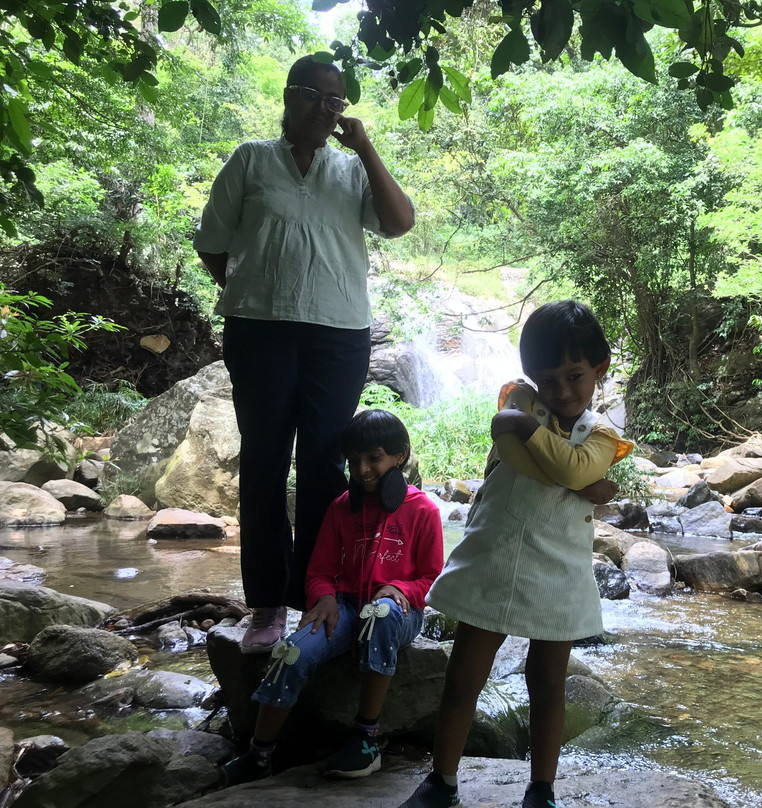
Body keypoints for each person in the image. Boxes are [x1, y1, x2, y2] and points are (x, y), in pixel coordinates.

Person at [193, 54, 415, 652]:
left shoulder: (352, 168)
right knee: (265, 459)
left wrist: (366, 148)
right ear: (289, 97)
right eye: (314, 95)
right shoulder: (250, 159)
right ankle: (267, 604)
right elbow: (212, 243)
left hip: (339, 334)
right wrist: (252, 290)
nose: (326, 108)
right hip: (259, 330)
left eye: (336, 100)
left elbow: (399, 222)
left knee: (323, 464)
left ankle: (320, 596)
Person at [398, 300, 633, 808]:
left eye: (574, 376)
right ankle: (442, 781)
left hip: (560, 569)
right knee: (464, 677)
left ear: (600, 369)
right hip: (497, 556)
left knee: (547, 684)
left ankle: (541, 789)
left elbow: (566, 465)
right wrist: (580, 482)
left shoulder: (602, 434)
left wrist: (535, 439)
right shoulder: (520, 400)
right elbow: (526, 460)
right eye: (548, 380)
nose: (561, 391)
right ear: (530, 377)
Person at [221, 409, 444, 786]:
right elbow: (320, 571)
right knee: (290, 651)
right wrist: (323, 597)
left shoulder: (423, 510)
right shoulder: (342, 508)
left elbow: (432, 579)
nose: (363, 470)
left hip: (398, 613)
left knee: (380, 613)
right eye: (354, 461)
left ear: (400, 455)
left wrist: (402, 589)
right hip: (347, 608)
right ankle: (260, 754)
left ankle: (366, 737)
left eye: (374, 458)